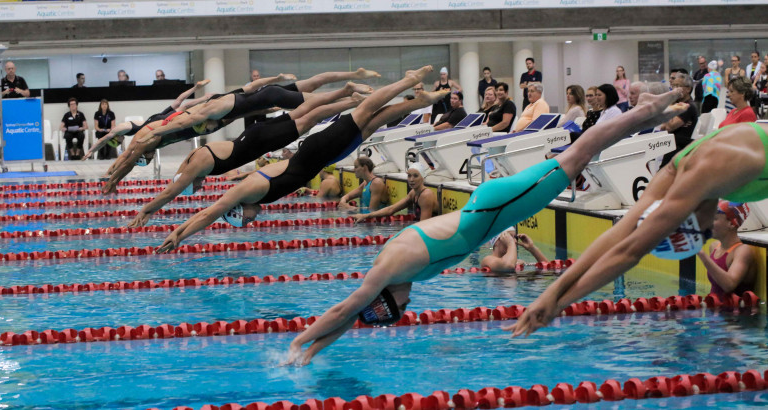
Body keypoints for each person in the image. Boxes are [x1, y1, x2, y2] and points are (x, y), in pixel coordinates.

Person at [284, 89, 689, 365]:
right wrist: (312, 352)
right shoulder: (396, 274)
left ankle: (645, 110)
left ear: (393, 299)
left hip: (496, 207)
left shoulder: (390, 270)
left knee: (578, 155)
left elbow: (344, 308)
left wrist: (298, 341)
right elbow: (351, 318)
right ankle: (646, 113)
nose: (410, 306)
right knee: (578, 158)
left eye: (403, 308)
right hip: (494, 208)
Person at [507, 120, 768, 338]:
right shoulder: (679, 168)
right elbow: (620, 234)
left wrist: (557, 302)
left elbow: (629, 252)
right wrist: (554, 296)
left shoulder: (702, 175)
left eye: (705, 233)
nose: (711, 227)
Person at [155, 66, 444, 250]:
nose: (252, 222)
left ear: (240, 211)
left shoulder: (249, 191)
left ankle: (409, 81)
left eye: (246, 221)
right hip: (322, 154)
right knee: (372, 122)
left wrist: (180, 235)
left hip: (320, 151)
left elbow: (210, 212)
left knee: (366, 110)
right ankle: (417, 101)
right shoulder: (258, 191)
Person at [126, 82, 368, 227]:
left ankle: (349, 97)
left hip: (257, 141)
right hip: (253, 137)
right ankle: (348, 97)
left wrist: (147, 210)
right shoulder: (201, 159)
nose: (198, 188)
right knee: (305, 113)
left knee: (307, 116)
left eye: (193, 187)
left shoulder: (196, 165)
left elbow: (171, 191)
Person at [104, 69, 382, 193]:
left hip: (267, 98)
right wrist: (113, 176)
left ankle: (349, 93)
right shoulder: (216, 107)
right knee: (310, 88)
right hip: (265, 100)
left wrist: (116, 175)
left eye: (148, 157)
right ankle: (353, 78)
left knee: (314, 105)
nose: (148, 156)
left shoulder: (196, 116)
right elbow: (129, 155)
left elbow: (133, 152)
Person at [84, 78, 213, 161]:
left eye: (117, 141)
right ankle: (200, 92)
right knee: (179, 103)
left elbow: (103, 139)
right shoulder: (122, 130)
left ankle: (205, 98)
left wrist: (90, 151)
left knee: (182, 107)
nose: (120, 141)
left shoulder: (120, 129)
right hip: (153, 120)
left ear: (115, 137)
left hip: (154, 123)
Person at [697, 201, 757, 299]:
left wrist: (702, 255)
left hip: (737, 313)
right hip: (715, 310)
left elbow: (729, 285)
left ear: (731, 223)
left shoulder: (742, 251)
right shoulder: (714, 247)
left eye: (714, 218)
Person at [350, 162, 437, 222]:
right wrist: (365, 216)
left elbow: (424, 226)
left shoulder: (426, 195)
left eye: (415, 176)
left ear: (423, 177)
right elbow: (391, 209)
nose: (411, 179)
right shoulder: (413, 193)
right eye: (409, 176)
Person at [659, 73, 697, 169]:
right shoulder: (678, 105)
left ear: (688, 89)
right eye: (673, 86)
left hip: (680, 146)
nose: (675, 89)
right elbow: (662, 127)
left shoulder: (688, 106)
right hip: (671, 143)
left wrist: (670, 104)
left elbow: (669, 127)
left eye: (678, 86)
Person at [480, 230, 549, 272]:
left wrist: (532, 248)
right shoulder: (488, 260)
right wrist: (510, 243)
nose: (514, 241)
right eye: (509, 237)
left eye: (515, 237)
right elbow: (508, 266)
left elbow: (549, 268)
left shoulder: (519, 262)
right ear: (496, 242)